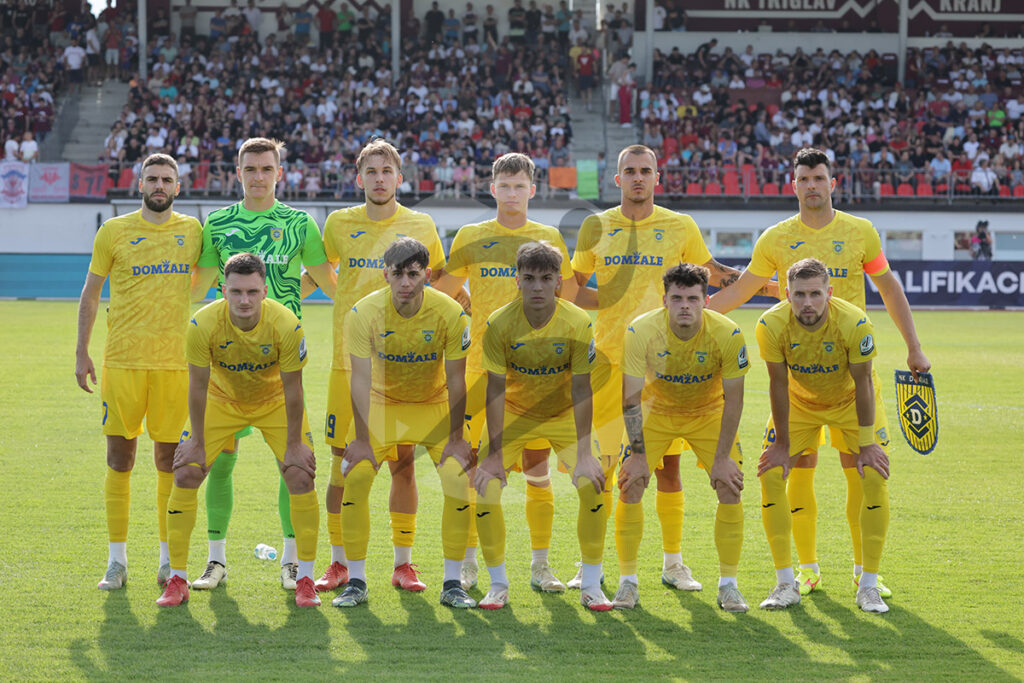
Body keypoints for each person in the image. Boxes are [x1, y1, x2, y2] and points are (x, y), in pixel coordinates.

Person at [708, 147, 929, 599]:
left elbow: (888, 287)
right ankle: (805, 571)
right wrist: (691, 317)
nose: (812, 185)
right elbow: (745, 289)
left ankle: (864, 573)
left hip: (852, 381)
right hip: (798, 384)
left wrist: (914, 346)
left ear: (833, 183)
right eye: (804, 179)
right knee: (796, 470)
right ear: (794, 186)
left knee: (861, 471)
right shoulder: (775, 238)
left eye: (819, 178)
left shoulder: (859, 232)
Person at [568, 144, 772, 591]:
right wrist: (609, 300)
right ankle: (590, 564)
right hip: (610, 363)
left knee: (667, 470)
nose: (638, 177)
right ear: (617, 179)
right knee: (604, 471)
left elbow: (711, 273)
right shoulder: (596, 227)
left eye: (646, 170)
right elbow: (572, 286)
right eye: (630, 171)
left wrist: (773, 287)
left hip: (667, 370)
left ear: (657, 178)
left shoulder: (680, 225)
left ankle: (673, 563)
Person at [189, 138, 336, 593]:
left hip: (280, 363)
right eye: (250, 169)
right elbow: (198, 288)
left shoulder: (299, 224)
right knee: (221, 464)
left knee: (290, 463)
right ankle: (216, 561)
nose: (258, 176)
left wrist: (292, 294)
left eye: (266, 168)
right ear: (238, 173)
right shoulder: (217, 223)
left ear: (279, 173)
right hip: (227, 363)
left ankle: (291, 563)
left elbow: (330, 281)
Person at [433, 153, 579, 592]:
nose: (512, 193)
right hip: (480, 370)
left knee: (537, 467)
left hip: (536, 376)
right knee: (474, 468)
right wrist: (464, 303)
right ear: (492, 188)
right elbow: (441, 293)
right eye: (504, 185)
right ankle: (470, 563)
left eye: (520, 186)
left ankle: (540, 565)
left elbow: (568, 297)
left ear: (532, 190)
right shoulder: (471, 236)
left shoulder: (548, 237)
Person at [317, 139, 447, 594]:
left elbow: (438, 277)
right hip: (347, 363)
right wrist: (345, 302)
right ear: (359, 179)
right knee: (342, 466)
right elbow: (322, 271)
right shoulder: (338, 223)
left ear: (399, 178)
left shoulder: (421, 224)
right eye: (371, 172)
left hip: (402, 368)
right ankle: (338, 563)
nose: (379, 179)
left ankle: (403, 563)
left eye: (386, 171)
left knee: (402, 464)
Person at [157, 253, 321, 608]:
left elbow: (294, 389)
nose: (244, 300)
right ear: (223, 290)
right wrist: (196, 440)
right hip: (222, 400)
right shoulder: (202, 324)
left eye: (251, 292)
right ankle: (177, 579)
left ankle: (305, 578)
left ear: (265, 291)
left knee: (300, 474)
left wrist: (295, 444)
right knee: (186, 471)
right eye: (236, 292)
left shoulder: (287, 324)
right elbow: (197, 385)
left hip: (274, 401)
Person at [76, 153, 202, 591]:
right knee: (120, 458)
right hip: (123, 362)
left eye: (167, 179)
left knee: (169, 461)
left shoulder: (193, 231)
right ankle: (117, 561)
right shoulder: (114, 231)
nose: (159, 185)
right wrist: (81, 352)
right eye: (153, 178)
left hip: (174, 365)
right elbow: (91, 293)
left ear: (178, 187)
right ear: (140, 183)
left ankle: (168, 561)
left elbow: (216, 280)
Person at [333, 238, 475, 609]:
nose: (406, 282)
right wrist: (361, 439)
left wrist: (456, 438)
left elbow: (457, 379)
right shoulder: (364, 312)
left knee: (457, 480)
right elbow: (360, 378)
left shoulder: (450, 313)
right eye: (398, 274)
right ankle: (357, 581)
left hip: (433, 406)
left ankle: (452, 582)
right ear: (386, 274)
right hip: (383, 406)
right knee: (356, 477)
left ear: (427, 275)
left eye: (413, 274)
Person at [473, 241, 610, 611]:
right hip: (514, 413)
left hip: (562, 413)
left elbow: (581, 389)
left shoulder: (577, 322)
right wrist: (494, 456)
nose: (537, 286)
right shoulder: (499, 323)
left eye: (546, 279)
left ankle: (591, 585)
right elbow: (495, 390)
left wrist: (584, 454)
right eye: (529, 278)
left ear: (559, 282)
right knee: (485, 486)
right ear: (517, 280)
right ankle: (498, 584)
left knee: (593, 485)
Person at [755, 258, 891, 614]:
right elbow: (777, 383)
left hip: (851, 402)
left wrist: (867, 443)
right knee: (771, 474)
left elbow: (864, 381)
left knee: (873, 476)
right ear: (787, 295)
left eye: (815, 294)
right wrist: (782, 445)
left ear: (829, 293)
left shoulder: (855, 323)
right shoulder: (770, 324)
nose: (808, 303)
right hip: (800, 403)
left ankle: (868, 584)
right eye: (799, 295)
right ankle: (788, 582)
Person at [614, 264, 749, 612]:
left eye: (692, 298)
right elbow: (630, 397)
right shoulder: (641, 330)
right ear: (665, 301)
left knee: (730, 485)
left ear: (706, 300)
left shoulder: (728, 334)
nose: (685, 305)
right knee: (631, 482)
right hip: (656, 413)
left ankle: (729, 586)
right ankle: (627, 583)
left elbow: (735, 400)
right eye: (677, 298)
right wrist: (638, 456)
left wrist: (722, 459)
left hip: (708, 414)